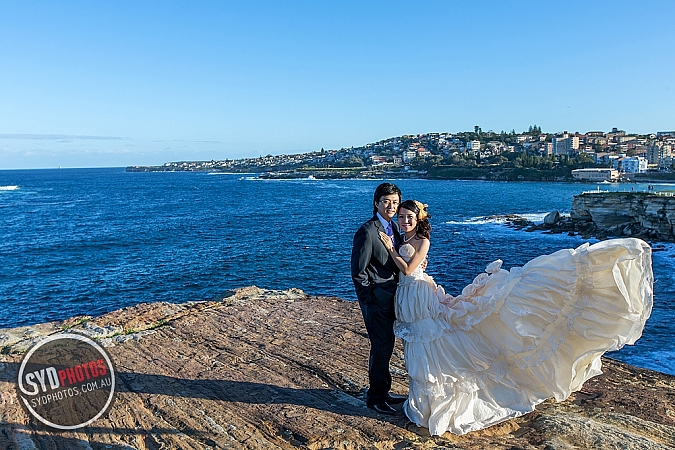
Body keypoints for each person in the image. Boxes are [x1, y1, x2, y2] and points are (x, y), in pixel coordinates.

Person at [378, 200, 653, 435]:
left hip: (417, 292)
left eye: (409, 217)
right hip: (409, 294)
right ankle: (422, 403)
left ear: (419, 219)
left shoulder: (421, 240)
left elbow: (409, 268)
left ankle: (434, 405)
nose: (404, 221)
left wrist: (390, 249)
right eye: (401, 217)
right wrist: (395, 247)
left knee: (427, 342)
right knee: (417, 345)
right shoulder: (403, 238)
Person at [350, 182, 408, 415]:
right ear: (376, 203)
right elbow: (358, 271)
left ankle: (384, 392)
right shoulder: (367, 231)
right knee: (381, 347)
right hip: (376, 301)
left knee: (387, 346)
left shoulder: (394, 228)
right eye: (386, 202)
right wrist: (369, 299)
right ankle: (375, 398)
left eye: (395, 202)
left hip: (393, 299)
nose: (391, 206)